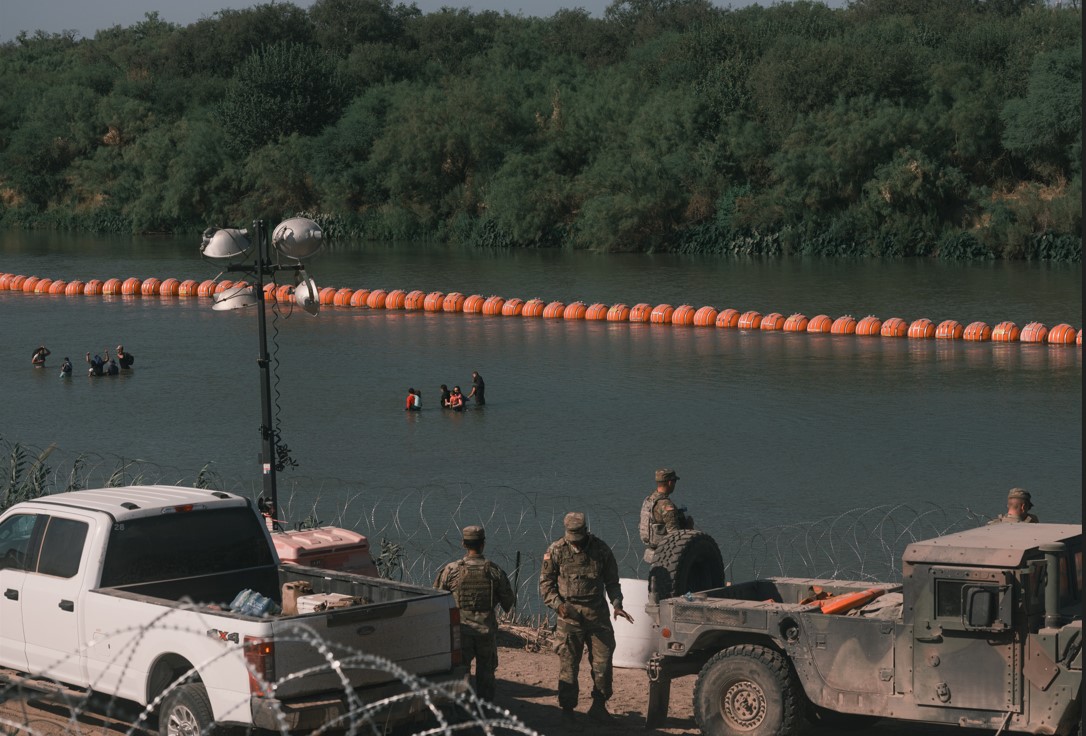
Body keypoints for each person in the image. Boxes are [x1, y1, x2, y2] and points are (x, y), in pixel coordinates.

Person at [539, 512, 633, 725]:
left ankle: (599, 705)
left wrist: (617, 604)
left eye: (579, 537)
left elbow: (612, 582)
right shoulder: (556, 551)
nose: (576, 542)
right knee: (568, 665)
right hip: (569, 618)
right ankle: (568, 712)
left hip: (597, 616)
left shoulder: (600, 550)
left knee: (603, 662)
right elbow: (546, 584)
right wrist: (558, 605)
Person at [433, 526, 515, 701]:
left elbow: (437, 599)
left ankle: (462, 712)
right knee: (486, 674)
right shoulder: (494, 571)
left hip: (461, 631)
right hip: (486, 631)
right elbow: (508, 601)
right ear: (483, 544)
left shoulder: (451, 570)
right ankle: (485, 710)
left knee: (461, 673)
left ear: (463, 543)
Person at [639, 468, 695, 563]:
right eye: (674, 482)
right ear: (670, 483)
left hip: (652, 546)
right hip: (665, 551)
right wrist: (688, 526)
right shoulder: (666, 504)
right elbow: (674, 534)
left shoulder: (650, 499)